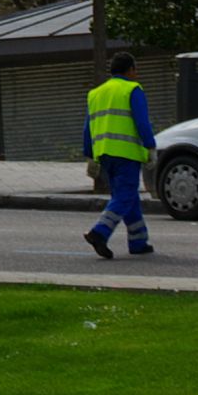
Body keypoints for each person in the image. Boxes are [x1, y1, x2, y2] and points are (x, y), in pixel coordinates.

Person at [82, 50, 157, 259]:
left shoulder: (96, 93)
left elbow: (87, 128)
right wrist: (151, 146)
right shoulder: (132, 89)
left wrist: (89, 155)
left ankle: (138, 240)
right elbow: (142, 122)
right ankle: (100, 232)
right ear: (131, 70)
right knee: (125, 195)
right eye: (136, 69)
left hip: (104, 154)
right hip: (127, 153)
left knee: (127, 196)